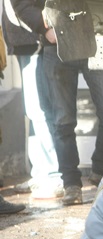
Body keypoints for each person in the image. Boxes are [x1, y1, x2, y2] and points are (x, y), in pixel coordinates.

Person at [42, 1, 103, 205]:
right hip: (56, 43)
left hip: (95, 38)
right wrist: (42, 27)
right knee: (63, 121)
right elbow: (21, 5)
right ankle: (71, 184)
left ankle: (101, 172)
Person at [2, 0, 63, 199]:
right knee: (34, 110)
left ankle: (53, 176)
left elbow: (23, 6)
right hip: (25, 42)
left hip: (34, 41)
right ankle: (41, 172)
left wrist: (41, 30)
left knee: (39, 110)